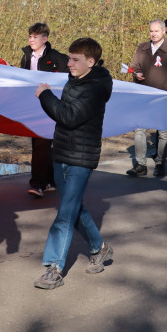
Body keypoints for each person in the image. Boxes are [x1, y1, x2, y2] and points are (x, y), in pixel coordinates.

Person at [32, 38, 114, 289]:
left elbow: (68, 116)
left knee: (66, 212)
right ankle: (99, 248)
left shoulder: (96, 88)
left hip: (81, 158)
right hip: (62, 153)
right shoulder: (74, 80)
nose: (69, 63)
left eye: (75, 59)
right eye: (69, 58)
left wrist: (45, 95)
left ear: (91, 61)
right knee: (74, 206)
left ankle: (54, 268)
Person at [19, 22, 70, 197]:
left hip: (50, 106)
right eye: (30, 36)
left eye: (35, 37)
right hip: (32, 106)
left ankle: (37, 184)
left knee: (41, 143)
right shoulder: (26, 57)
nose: (31, 40)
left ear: (45, 39)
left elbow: (68, 77)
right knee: (41, 143)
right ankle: (50, 181)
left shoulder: (57, 57)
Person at [127, 19, 167, 178]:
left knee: (163, 132)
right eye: (151, 31)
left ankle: (160, 163)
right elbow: (135, 65)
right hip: (144, 96)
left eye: (156, 31)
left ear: (163, 31)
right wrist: (137, 74)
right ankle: (140, 164)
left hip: (163, 97)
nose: (153, 34)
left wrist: (163, 93)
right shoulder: (142, 48)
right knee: (139, 129)